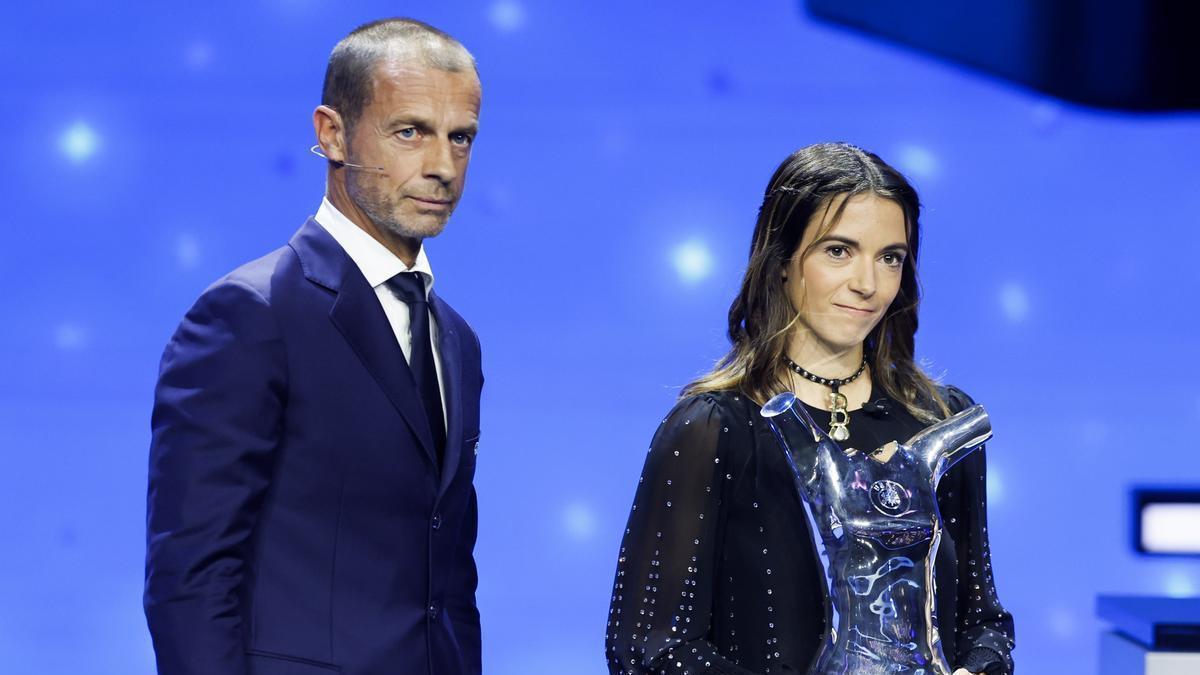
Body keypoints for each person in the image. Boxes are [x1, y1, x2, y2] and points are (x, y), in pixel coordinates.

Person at [144, 18, 484, 675]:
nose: (441, 166)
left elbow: (446, 579)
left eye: (460, 137)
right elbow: (191, 576)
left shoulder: (457, 342)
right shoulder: (251, 313)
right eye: (410, 131)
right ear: (331, 133)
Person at [604, 143, 1014, 675]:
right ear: (781, 261)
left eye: (890, 257)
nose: (868, 284)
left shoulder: (940, 422)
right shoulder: (715, 429)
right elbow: (650, 648)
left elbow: (983, 622)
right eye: (839, 251)